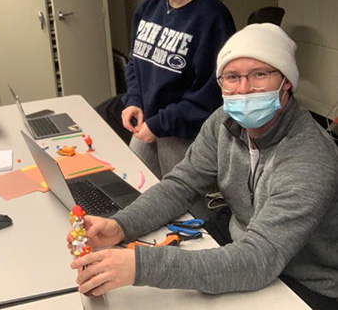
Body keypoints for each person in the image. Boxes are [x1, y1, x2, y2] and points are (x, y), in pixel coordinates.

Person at [71, 24, 338, 309]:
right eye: (232, 77)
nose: (244, 89)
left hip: (303, 282)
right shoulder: (223, 121)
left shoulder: (309, 156)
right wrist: (120, 225)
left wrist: (141, 266)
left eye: (260, 74)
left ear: (287, 82)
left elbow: (260, 259)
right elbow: (181, 185)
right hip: (243, 244)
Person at [103, 0, 236, 178]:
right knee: (136, 194)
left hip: (184, 134)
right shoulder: (148, 8)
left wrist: (161, 123)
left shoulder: (212, 17)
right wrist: (134, 101)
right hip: (147, 125)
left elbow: (211, 93)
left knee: (185, 212)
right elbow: (135, 66)